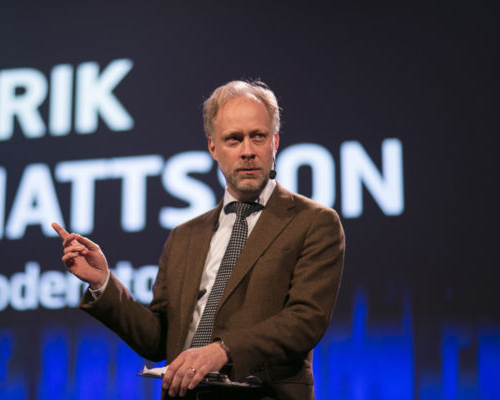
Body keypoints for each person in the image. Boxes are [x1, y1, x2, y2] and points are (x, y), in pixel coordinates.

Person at [52, 80, 345, 399]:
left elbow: (305, 321)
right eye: (234, 139)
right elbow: (157, 340)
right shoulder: (184, 236)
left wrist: (223, 350)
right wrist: (103, 283)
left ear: (274, 141)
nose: (247, 151)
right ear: (213, 148)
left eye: (258, 137)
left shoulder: (313, 222)